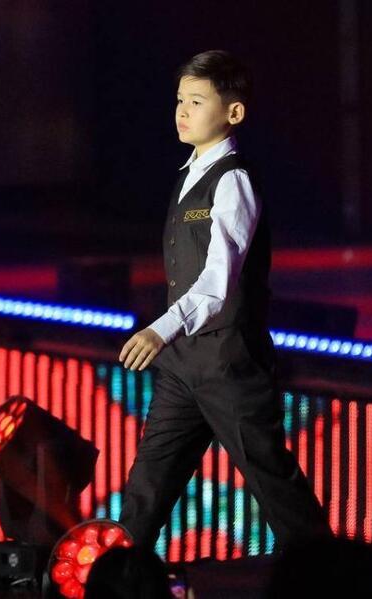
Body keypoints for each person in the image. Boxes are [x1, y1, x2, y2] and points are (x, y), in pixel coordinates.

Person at [118, 50, 329, 550]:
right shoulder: (188, 173)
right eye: (179, 100)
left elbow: (218, 281)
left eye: (196, 101)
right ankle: (117, 575)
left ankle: (329, 573)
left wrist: (159, 329)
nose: (182, 111)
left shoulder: (233, 180)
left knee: (273, 483)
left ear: (233, 112)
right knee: (146, 491)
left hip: (230, 364)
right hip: (183, 365)